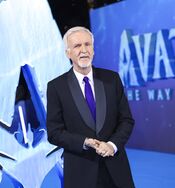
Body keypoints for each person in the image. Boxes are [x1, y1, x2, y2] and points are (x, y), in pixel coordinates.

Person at [46, 26, 135, 188]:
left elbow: (126, 120)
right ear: (68, 53)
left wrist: (112, 145)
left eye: (87, 44)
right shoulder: (56, 87)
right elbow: (54, 133)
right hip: (80, 173)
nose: (83, 50)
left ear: (93, 50)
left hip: (116, 170)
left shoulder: (112, 79)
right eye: (77, 46)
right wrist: (84, 141)